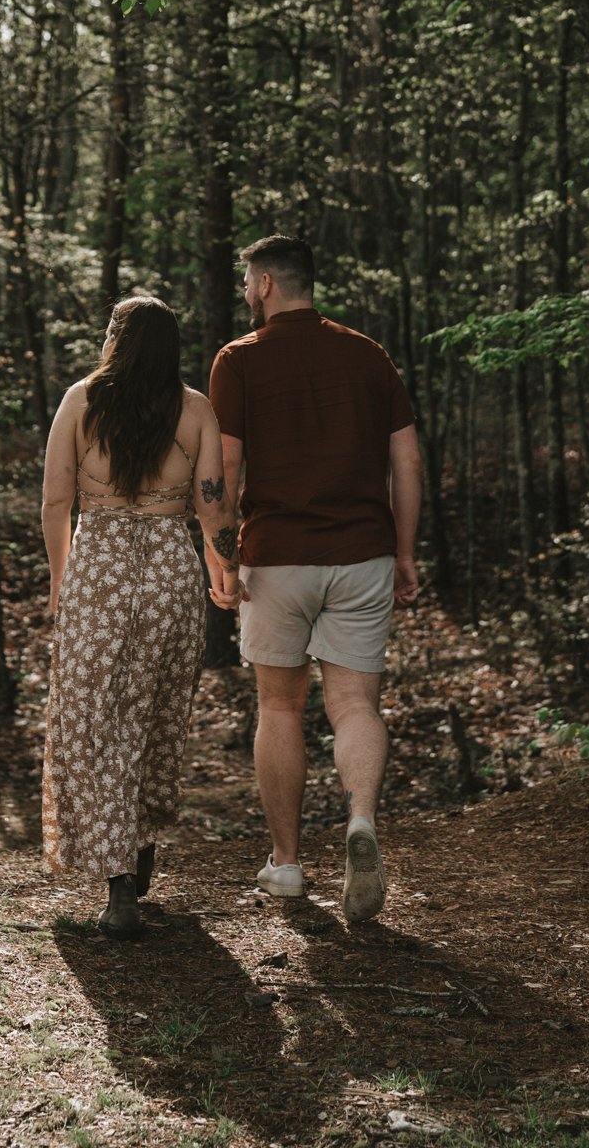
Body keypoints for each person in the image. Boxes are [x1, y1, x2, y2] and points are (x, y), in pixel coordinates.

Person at [208, 234, 423, 924]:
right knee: (355, 706)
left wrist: (221, 555)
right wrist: (405, 552)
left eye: (248, 283)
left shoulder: (239, 360)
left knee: (279, 707)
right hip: (362, 552)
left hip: (278, 557)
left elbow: (226, 470)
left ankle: (289, 863)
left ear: (266, 284)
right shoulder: (366, 355)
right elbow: (406, 461)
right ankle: (361, 819)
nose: (247, 294)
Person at [41, 293, 237, 939]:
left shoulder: (81, 400)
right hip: (167, 574)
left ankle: (116, 879)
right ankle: (140, 842)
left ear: (115, 341)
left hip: (98, 571)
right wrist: (221, 568)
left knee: (97, 720)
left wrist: (61, 580)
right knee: (155, 716)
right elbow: (213, 506)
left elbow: (55, 501)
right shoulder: (195, 409)